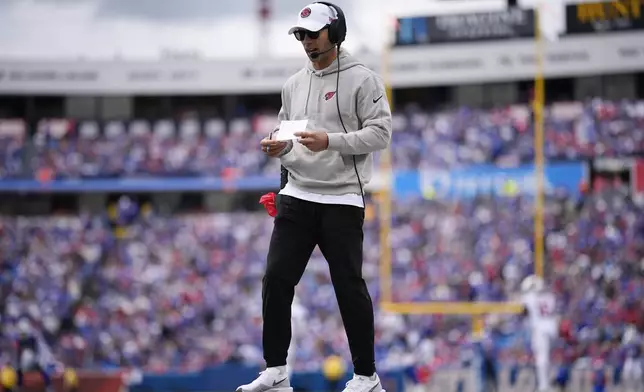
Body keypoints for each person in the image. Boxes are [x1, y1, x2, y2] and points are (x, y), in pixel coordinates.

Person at [237, 2, 392, 392]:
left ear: (335, 34)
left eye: (313, 34)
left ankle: (366, 377)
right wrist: (279, 150)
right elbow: (290, 139)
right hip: (297, 194)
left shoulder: (364, 79)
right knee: (276, 277)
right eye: (301, 35)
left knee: (347, 284)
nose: (306, 42)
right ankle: (275, 370)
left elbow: (380, 135)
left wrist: (331, 142)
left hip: (341, 197)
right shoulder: (293, 84)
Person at [520, 275, 559, 392]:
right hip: (552, 328)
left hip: (540, 329)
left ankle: (544, 386)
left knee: (542, 358)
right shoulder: (550, 296)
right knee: (551, 357)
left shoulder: (529, 297)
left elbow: (523, 309)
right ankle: (548, 382)